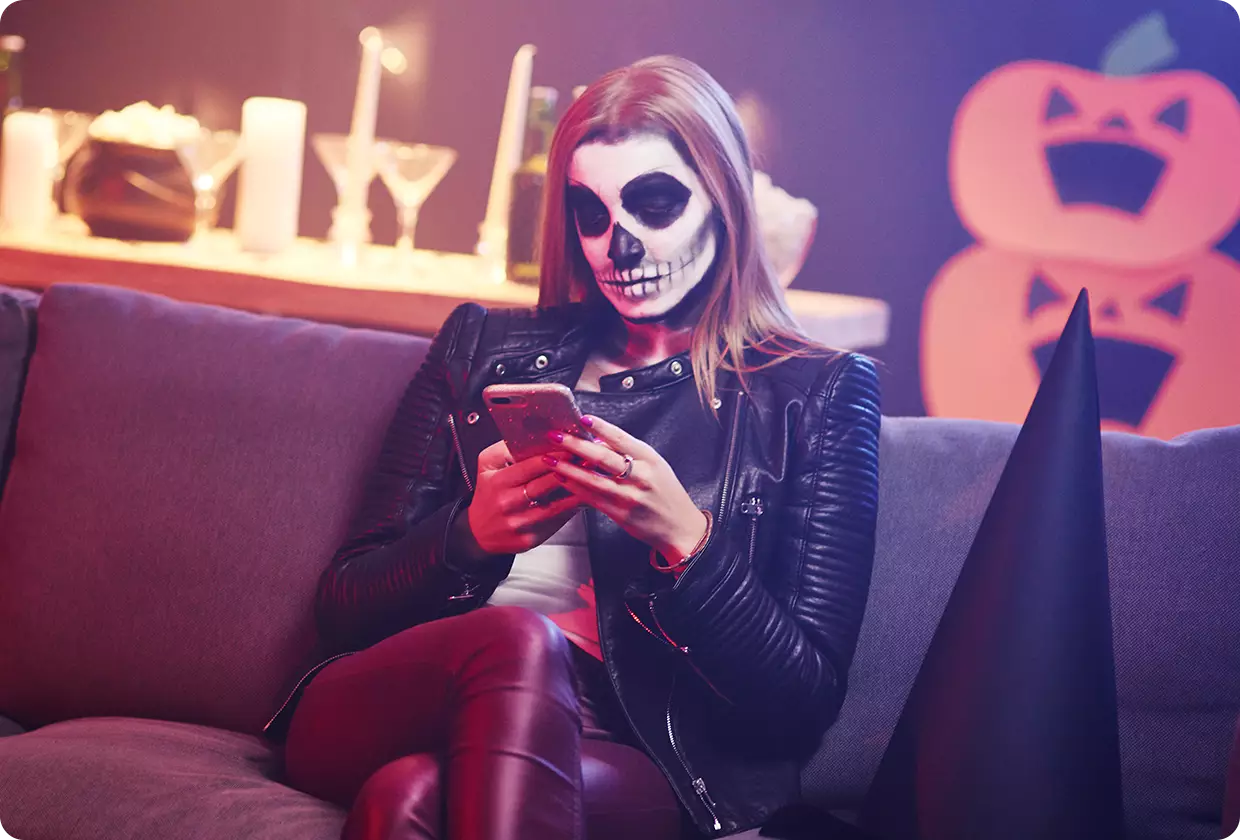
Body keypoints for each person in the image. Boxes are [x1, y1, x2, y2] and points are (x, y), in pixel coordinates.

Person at [267, 54, 881, 840]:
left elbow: (801, 700)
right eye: (591, 214)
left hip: (622, 737)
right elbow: (344, 603)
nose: (615, 247)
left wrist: (687, 543)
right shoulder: (478, 345)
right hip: (403, 695)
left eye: (654, 203)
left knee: (408, 804)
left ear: (724, 201)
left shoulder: (816, 394)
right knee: (517, 641)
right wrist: (468, 540)